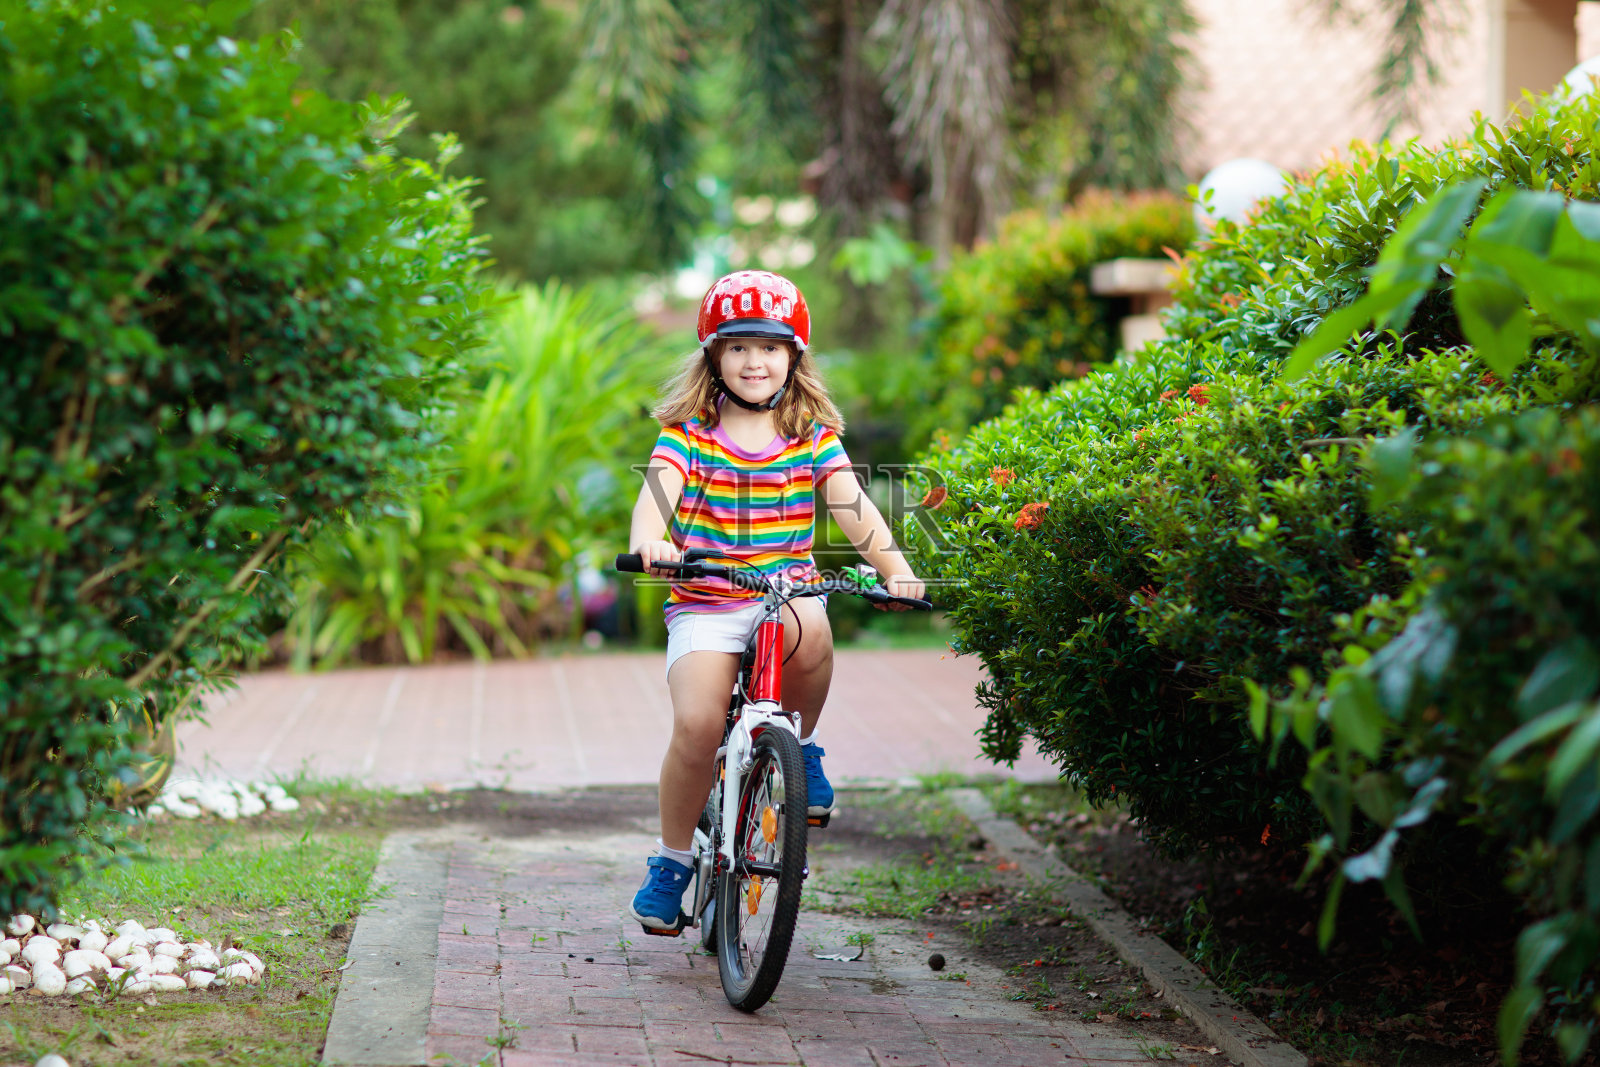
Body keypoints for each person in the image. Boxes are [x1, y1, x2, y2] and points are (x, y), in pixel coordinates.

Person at [626, 269, 926, 934]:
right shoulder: (687, 435)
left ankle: (802, 745)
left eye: (769, 346)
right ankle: (673, 861)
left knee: (812, 626)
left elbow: (856, 512)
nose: (754, 360)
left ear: (794, 356)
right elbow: (653, 505)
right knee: (699, 725)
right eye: (737, 347)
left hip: (785, 594)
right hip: (707, 599)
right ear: (713, 357)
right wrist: (653, 543)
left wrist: (898, 572)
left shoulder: (811, 435)